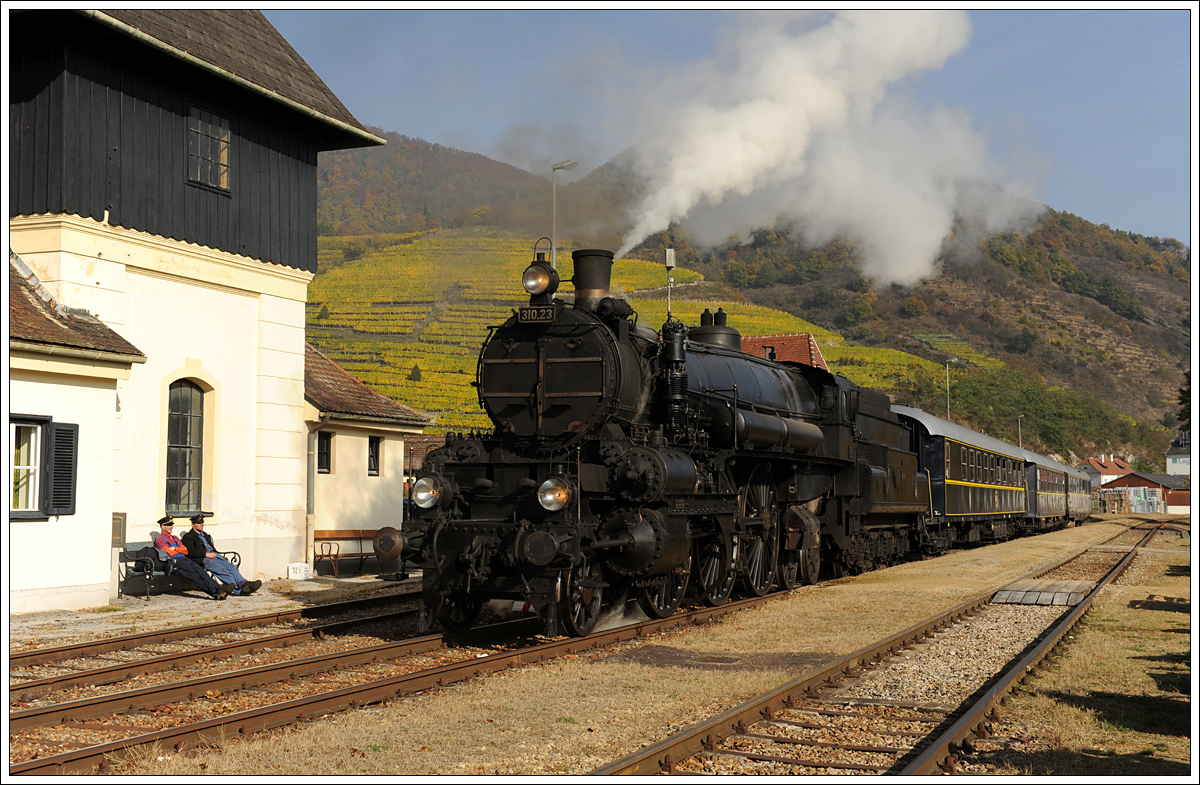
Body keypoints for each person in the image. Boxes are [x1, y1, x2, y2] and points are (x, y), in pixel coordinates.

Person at [182, 514, 261, 596]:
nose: (201, 524)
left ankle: (244, 584)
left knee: (231, 568)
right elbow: (190, 552)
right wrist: (206, 554)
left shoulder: (205, 535)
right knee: (223, 571)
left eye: (202, 522)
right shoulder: (188, 537)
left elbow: (212, 548)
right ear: (193, 524)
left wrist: (220, 556)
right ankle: (240, 591)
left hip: (215, 556)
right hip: (204, 559)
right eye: (199, 523)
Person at [154, 517, 231, 600]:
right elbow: (168, 553)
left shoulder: (175, 538)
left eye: (172, 525)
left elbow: (186, 551)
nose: (171, 527)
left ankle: (217, 591)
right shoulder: (160, 540)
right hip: (175, 562)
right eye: (168, 525)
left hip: (185, 559)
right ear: (162, 526)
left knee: (201, 572)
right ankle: (216, 591)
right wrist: (179, 550)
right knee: (194, 576)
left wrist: (175, 549)